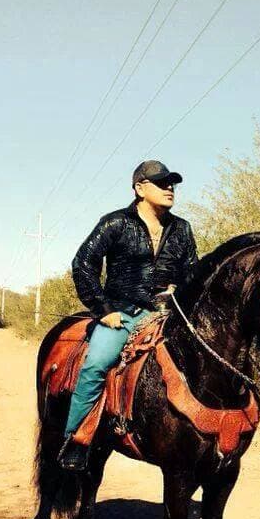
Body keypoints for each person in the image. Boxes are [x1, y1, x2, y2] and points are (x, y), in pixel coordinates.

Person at [57, 160, 198, 471]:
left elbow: (192, 273)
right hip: (122, 313)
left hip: (167, 315)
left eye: (172, 183)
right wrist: (103, 310)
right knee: (96, 364)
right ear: (140, 188)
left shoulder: (182, 228)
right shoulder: (115, 223)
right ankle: (76, 439)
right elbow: (83, 264)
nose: (170, 188)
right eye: (161, 183)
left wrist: (179, 288)